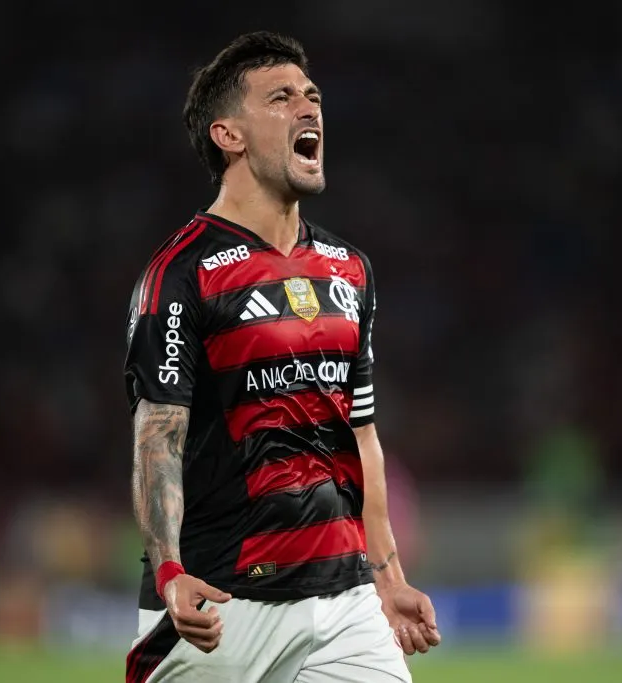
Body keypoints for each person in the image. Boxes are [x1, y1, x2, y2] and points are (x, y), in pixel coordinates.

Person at [122, 31, 441, 683]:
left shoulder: (350, 271)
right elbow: (158, 436)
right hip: (221, 604)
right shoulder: (182, 273)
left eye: (313, 95)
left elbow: (361, 434)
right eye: (281, 97)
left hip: (344, 603)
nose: (308, 107)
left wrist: (387, 574)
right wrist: (168, 568)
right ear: (228, 136)